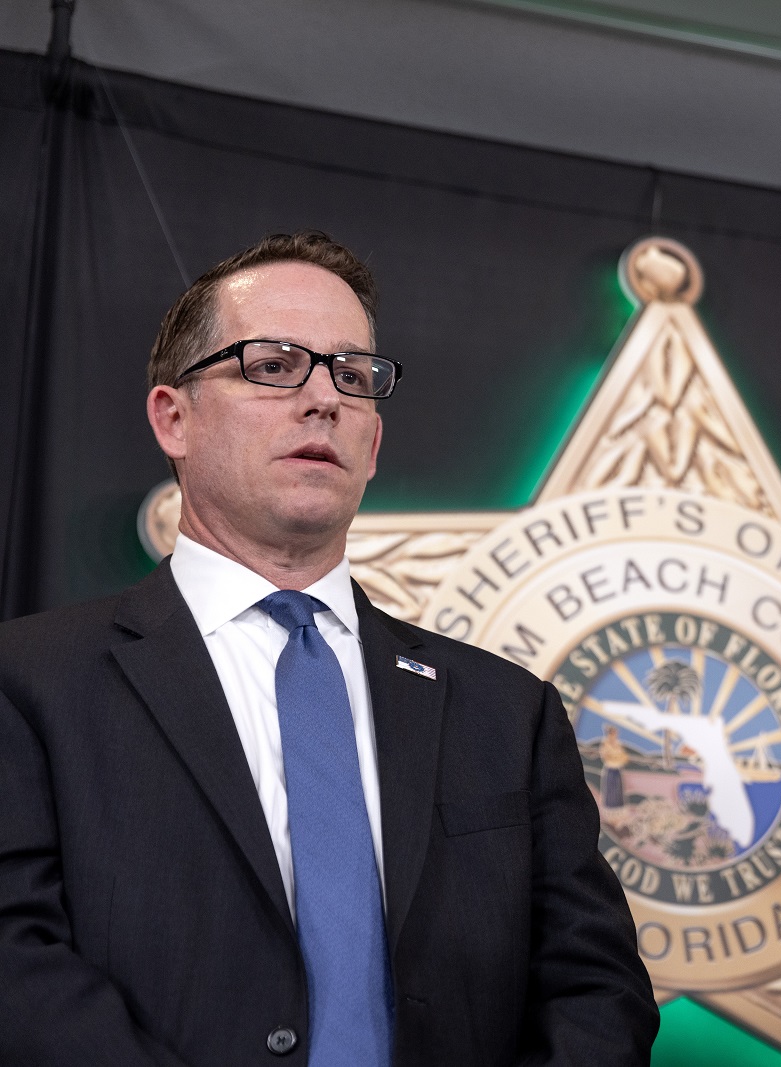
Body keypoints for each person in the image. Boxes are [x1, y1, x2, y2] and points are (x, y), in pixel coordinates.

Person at [0, 232, 658, 1066]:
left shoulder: (508, 713)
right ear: (174, 417)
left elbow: (594, 992)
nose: (324, 400)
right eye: (274, 365)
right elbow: (17, 972)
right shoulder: (30, 684)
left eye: (354, 376)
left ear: (374, 444)